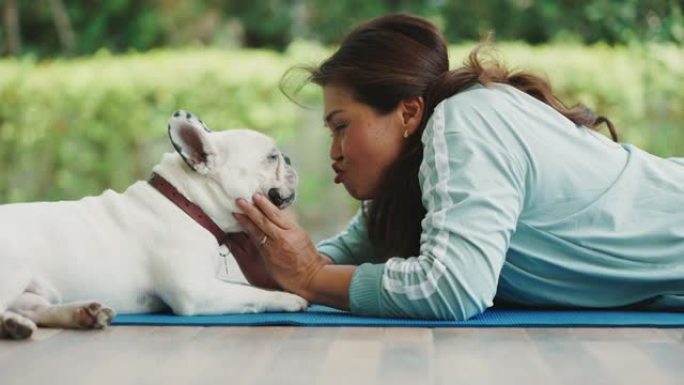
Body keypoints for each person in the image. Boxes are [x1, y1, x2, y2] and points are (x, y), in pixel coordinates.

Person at [227, 13, 684, 320]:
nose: (334, 152)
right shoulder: (416, 179)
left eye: (341, 126)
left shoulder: (466, 120)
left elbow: (452, 286)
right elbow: (340, 254)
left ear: (408, 113)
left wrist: (310, 277)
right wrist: (279, 267)